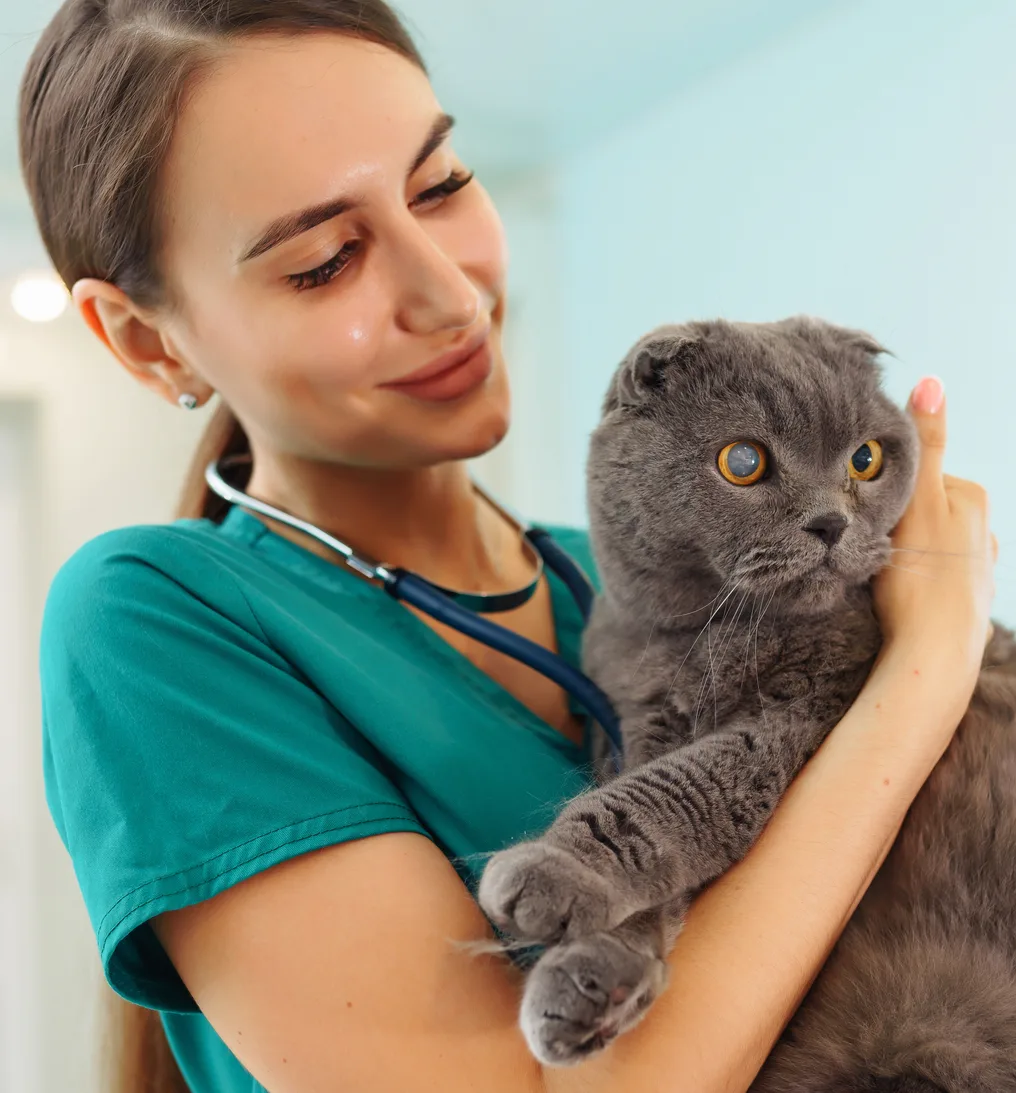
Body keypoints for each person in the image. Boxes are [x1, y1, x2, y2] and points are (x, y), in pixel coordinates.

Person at [22, 2, 997, 1092]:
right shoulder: (153, 619)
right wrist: (920, 676)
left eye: (440, 185)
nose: (450, 294)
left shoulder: (639, 577)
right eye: (323, 261)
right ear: (147, 341)